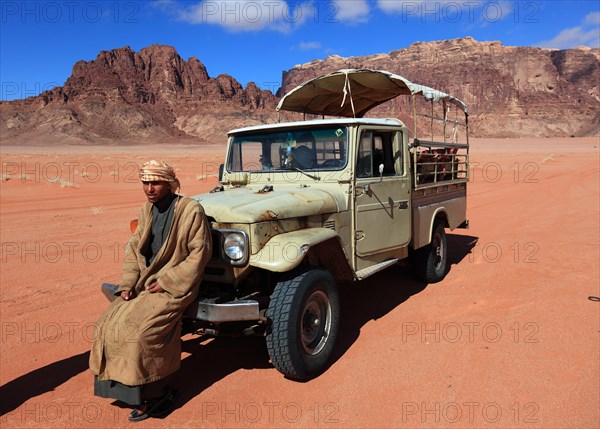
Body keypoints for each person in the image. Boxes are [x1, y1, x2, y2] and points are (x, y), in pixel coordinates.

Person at [89, 160, 212, 422]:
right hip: (146, 283)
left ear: (169, 183)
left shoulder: (190, 210)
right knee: (107, 324)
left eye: (155, 182)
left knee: (144, 333)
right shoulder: (147, 210)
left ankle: (158, 394)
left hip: (177, 286)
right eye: (145, 182)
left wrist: (168, 281)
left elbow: (198, 254)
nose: (149, 188)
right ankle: (125, 387)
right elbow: (134, 251)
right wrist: (127, 285)